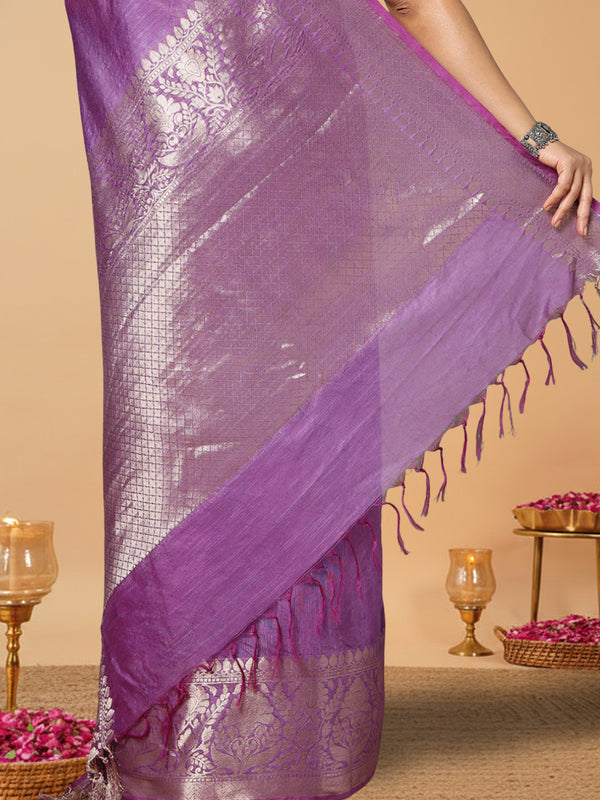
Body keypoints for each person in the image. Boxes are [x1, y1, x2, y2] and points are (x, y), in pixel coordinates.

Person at [60, 0, 598, 798]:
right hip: (283, 142)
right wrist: (534, 135)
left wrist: (533, 137)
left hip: (209, 151)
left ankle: (205, 744)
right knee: (285, 422)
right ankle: (275, 744)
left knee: (206, 439)